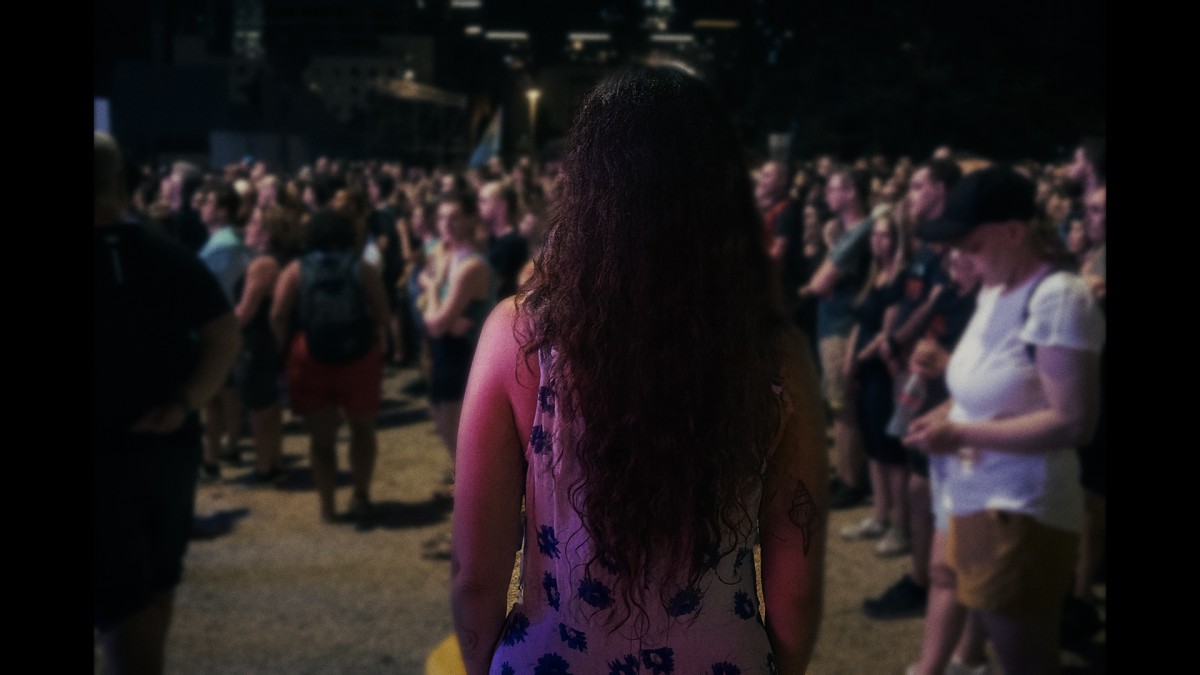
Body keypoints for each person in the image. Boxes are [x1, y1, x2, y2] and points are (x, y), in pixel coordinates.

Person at [450, 63, 828, 675]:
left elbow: (475, 574)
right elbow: (797, 587)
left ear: (585, 187)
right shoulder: (771, 350)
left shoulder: (521, 337)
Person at [904, 165, 1105, 675]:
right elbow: (990, 386)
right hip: (978, 490)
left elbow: (1073, 422)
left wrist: (959, 432)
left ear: (1014, 232)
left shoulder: (1059, 297)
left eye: (972, 246)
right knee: (965, 594)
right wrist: (945, 410)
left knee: (1025, 660)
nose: (962, 259)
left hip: (1020, 504)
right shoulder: (996, 290)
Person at [94, 132, 241, 674]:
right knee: (155, 582)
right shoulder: (168, 255)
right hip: (168, 448)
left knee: (122, 597)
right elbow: (225, 335)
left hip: (107, 455)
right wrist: (184, 402)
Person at [270, 208, 391, 522]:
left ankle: (327, 504)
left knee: (321, 440)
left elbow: (279, 314)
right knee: (362, 428)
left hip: (310, 356)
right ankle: (360, 495)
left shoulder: (296, 270)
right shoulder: (362, 268)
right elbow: (382, 314)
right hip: (359, 356)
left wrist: (279, 352)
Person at [421, 189, 494, 504]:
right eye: (441, 217)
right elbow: (429, 312)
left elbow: (435, 321)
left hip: (464, 357)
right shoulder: (444, 255)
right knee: (445, 422)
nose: (446, 224)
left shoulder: (470, 266)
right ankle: (463, 484)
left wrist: (432, 289)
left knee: (459, 431)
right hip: (444, 352)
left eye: (454, 217)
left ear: (469, 220)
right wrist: (439, 311)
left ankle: (470, 495)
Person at [232, 203, 305, 483]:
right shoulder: (285, 259)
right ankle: (273, 461)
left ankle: (265, 467)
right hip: (274, 343)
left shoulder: (262, 265)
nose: (247, 228)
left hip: (256, 344)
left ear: (267, 231)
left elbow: (244, 312)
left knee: (259, 409)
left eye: (253, 223)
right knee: (270, 407)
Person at [196, 180, 254, 477]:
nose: (201, 206)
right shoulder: (229, 240)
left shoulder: (223, 244)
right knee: (222, 393)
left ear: (222, 211)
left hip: (216, 325)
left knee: (217, 393)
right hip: (225, 323)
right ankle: (222, 450)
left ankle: (218, 453)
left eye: (208, 202)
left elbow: (206, 287)